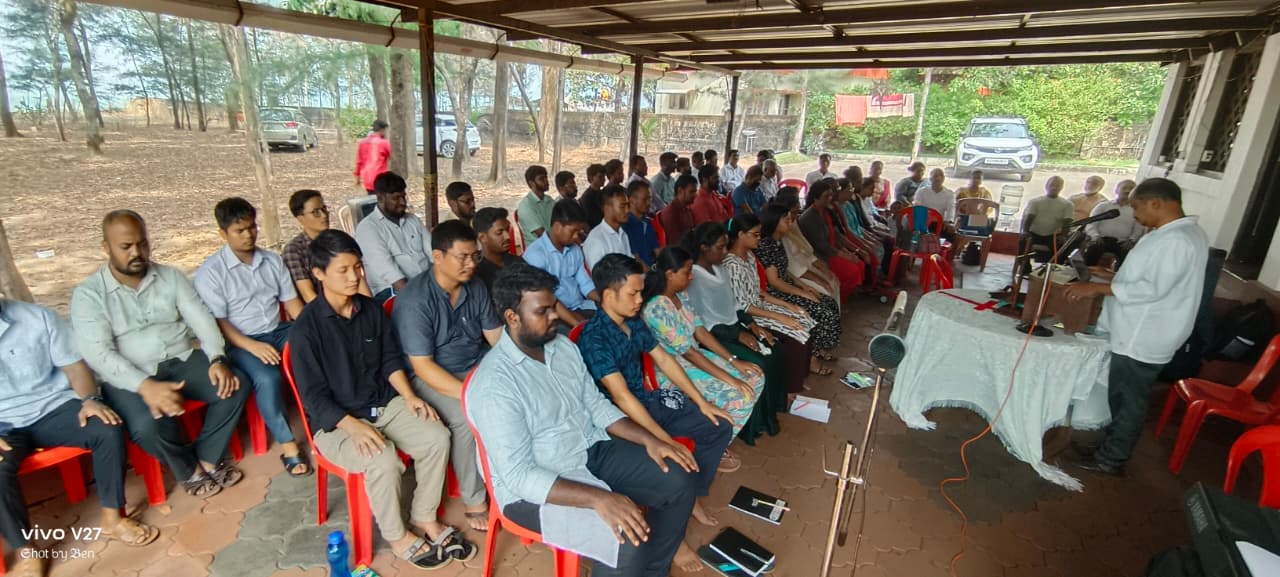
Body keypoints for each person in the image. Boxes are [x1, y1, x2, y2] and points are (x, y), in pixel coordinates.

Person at [465, 263, 698, 577]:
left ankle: (653, 571)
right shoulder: (495, 385)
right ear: (512, 317)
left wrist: (651, 441)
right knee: (625, 540)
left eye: (554, 307)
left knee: (679, 479)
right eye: (542, 311)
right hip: (537, 485)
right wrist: (599, 499)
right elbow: (519, 476)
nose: (555, 316)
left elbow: (597, 406)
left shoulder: (561, 347)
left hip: (587, 447)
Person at [290, 230, 476, 569]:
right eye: (343, 270)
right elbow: (313, 398)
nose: (354, 276)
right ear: (319, 274)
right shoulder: (306, 330)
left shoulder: (371, 310)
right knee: (383, 459)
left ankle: (424, 516)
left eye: (357, 267)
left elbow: (391, 360)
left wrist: (409, 396)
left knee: (436, 436)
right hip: (336, 423)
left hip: (383, 404)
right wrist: (353, 427)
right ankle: (396, 535)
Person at [72, 210, 249, 499]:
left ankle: (207, 458)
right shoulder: (89, 295)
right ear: (106, 247)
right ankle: (188, 470)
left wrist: (217, 358)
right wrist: (144, 386)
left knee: (234, 384)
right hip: (128, 374)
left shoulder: (170, 276)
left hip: (180, 357)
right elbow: (98, 353)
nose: (136, 252)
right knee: (146, 425)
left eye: (142, 243)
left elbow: (201, 319)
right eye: (126, 246)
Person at [576, 254, 735, 572]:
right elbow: (621, 397)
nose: (640, 300)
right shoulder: (594, 338)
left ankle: (691, 498)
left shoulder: (633, 321)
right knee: (673, 469)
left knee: (718, 425)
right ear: (609, 295)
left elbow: (663, 359)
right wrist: (663, 440)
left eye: (640, 292)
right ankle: (673, 541)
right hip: (620, 423)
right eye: (633, 293)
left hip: (647, 402)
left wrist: (702, 403)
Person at [1, 299, 160, 577]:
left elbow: (74, 367)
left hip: (53, 407)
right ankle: (26, 549)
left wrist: (90, 400)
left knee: (106, 427)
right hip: (3, 424)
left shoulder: (38, 317)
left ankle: (113, 518)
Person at [1064, 178, 1209, 475]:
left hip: (1145, 333)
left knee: (1129, 399)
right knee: (1121, 395)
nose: (1135, 215)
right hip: (1141, 329)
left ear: (1156, 203)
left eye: (1138, 207)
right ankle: (1110, 446)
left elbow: (1152, 289)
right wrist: (1109, 276)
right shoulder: (1175, 234)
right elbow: (1153, 278)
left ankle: (1112, 459)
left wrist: (1096, 288)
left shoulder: (1176, 240)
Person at [392, 220, 502, 532]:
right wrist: (471, 394)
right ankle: (473, 498)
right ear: (437, 257)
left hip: (474, 363)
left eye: (474, 256)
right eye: (462, 257)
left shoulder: (475, 286)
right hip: (429, 377)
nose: (471, 264)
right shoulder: (416, 301)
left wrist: (512, 369)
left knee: (516, 392)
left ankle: (508, 475)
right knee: (466, 417)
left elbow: (495, 337)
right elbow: (423, 367)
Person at [194, 198, 311, 477]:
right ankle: (288, 446)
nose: (249, 235)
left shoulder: (271, 261)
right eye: (240, 230)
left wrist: (310, 330)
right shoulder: (211, 273)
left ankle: (321, 417)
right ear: (223, 233)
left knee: (314, 350)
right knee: (267, 378)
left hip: (278, 330)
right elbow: (220, 324)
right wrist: (253, 346)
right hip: (240, 341)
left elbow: (292, 303)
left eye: (252, 227)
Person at [683, 221, 805, 438]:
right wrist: (739, 334)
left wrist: (753, 326)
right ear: (704, 247)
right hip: (715, 336)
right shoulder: (694, 278)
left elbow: (735, 305)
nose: (725, 252)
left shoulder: (719, 268)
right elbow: (702, 324)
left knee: (775, 349)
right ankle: (752, 425)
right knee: (759, 362)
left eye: (725, 246)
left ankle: (773, 409)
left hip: (734, 326)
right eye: (720, 247)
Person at [642, 247, 765, 438]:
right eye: (687, 272)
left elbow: (700, 331)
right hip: (673, 369)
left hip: (695, 357)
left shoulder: (680, 296)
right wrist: (731, 379)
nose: (691, 277)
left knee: (755, 377)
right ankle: (718, 442)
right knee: (739, 394)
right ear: (670, 274)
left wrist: (734, 361)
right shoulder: (657, 309)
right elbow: (688, 353)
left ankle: (722, 433)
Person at [716, 215, 823, 382]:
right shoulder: (732, 265)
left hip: (760, 306)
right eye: (755, 234)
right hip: (750, 315)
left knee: (804, 318)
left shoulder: (749, 256)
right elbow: (743, 306)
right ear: (741, 234)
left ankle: (800, 375)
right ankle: (791, 386)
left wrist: (789, 307)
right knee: (798, 332)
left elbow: (758, 291)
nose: (759, 238)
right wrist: (780, 317)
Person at [754, 203, 842, 367]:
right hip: (774, 292)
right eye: (786, 220)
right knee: (820, 310)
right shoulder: (766, 245)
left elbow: (785, 271)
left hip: (786, 285)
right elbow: (774, 281)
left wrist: (803, 286)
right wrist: (802, 293)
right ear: (774, 222)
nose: (790, 222)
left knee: (829, 302)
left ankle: (818, 348)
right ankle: (811, 357)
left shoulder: (778, 241)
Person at [355, 172, 433, 304]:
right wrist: (421, 300)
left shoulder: (413, 220)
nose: (402, 202)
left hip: (423, 285)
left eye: (403, 196)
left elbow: (433, 253)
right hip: (390, 292)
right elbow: (392, 275)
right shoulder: (368, 228)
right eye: (396, 198)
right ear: (380, 198)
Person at [283, 189, 371, 303]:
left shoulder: (339, 239)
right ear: (301, 218)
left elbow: (361, 282)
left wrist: (370, 308)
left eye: (324, 209)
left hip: (354, 304)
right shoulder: (294, 250)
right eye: (315, 212)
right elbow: (308, 294)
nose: (324, 215)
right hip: (321, 309)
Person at [523, 200, 599, 329]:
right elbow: (546, 299)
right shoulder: (536, 255)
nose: (576, 236)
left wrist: (607, 300)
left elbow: (585, 284)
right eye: (573, 231)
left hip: (581, 307)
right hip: (554, 315)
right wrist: (578, 323)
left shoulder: (574, 249)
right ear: (558, 226)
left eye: (579, 231)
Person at [798, 180, 865, 300]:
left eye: (830, 195)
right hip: (821, 255)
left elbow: (836, 234)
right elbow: (821, 246)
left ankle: (847, 295)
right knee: (852, 271)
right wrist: (843, 255)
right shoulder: (809, 217)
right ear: (815, 198)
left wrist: (848, 251)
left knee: (859, 263)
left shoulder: (826, 211)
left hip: (832, 250)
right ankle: (841, 298)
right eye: (826, 196)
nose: (830, 198)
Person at [772, 189, 842, 303]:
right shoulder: (780, 232)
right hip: (797, 273)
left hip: (806, 265)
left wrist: (821, 267)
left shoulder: (792, 223)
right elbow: (792, 266)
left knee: (833, 280)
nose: (795, 216)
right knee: (825, 290)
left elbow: (806, 248)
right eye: (793, 212)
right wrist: (817, 279)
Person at [1084, 179, 1144, 268]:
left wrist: (1132, 240)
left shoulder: (1136, 210)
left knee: (1128, 256)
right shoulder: (1103, 206)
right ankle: (1086, 273)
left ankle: (1118, 276)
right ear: (1116, 190)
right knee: (1093, 249)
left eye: (1131, 188)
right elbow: (1091, 223)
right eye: (1124, 188)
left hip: (1122, 242)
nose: (1127, 191)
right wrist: (1095, 236)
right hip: (1100, 239)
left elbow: (1139, 228)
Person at [584, 185, 635, 270]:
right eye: (622, 207)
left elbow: (631, 263)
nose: (627, 210)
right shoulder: (596, 241)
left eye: (628, 206)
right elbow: (598, 276)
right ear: (607, 209)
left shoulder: (622, 233)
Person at [1021, 175, 1075, 256]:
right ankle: (1023, 264)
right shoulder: (1035, 201)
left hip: (1053, 236)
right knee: (1021, 242)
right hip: (1033, 233)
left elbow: (1067, 222)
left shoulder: (1068, 204)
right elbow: (1029, 218)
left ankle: (1053, 264)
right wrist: (1025, 231)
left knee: (1063, 248)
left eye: (1057, 186)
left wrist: (1064, 235)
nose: (1054, 188)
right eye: (1052, 185)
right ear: (1046, 186)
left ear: (1061, 188)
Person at [474, 207, 525, 291]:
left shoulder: (518, 262)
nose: (508, 236)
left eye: (507, 230)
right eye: (499, 232)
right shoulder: (477, 273)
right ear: (482, 238)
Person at [517, 165, 556, 248]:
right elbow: (542, 234)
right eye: (541, 179)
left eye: (546, 177)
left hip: (553, 243)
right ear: (531, 183)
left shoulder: (549, 200)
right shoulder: (526, 206)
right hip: (538, 248)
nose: (546, 181)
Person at [623, 181, 661, 265]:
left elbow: (657, 250)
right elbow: (636, 260)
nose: (649, 203)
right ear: (632, 200)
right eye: (645, 199)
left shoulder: (647, 222)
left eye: (649, 198)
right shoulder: (626, 225)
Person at [916, 168, 958, 243]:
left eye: (941, 176)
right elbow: (917, 207)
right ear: (930, 178)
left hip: (940, 223)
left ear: (943, 178)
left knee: (954, 236)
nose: (938, 178)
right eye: (935, 176)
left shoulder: (949, 194)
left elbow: (950, 210)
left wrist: (949, 222)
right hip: (923, 221)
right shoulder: (922, 191)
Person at [659, 174, 698, 248]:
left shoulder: (687, 208)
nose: (695, 195)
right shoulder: (671, 212)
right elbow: (675, 243)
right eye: (691, 192)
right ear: (680, 191)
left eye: (695, 191)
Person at [354, 120, 390, 193]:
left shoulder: (362, 143)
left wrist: (357, 178)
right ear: (382, 130)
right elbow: (390, 156)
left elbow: (359, 162)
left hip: (367, 180)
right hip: (380, 179)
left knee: (371, 197)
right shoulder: (384, 143)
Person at [579, 163, 608, 229]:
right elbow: (592, 219)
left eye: (604, 176)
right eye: (600, 177)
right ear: (591, 178)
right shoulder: (587, 197)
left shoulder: (603, 193)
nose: (604, 179)